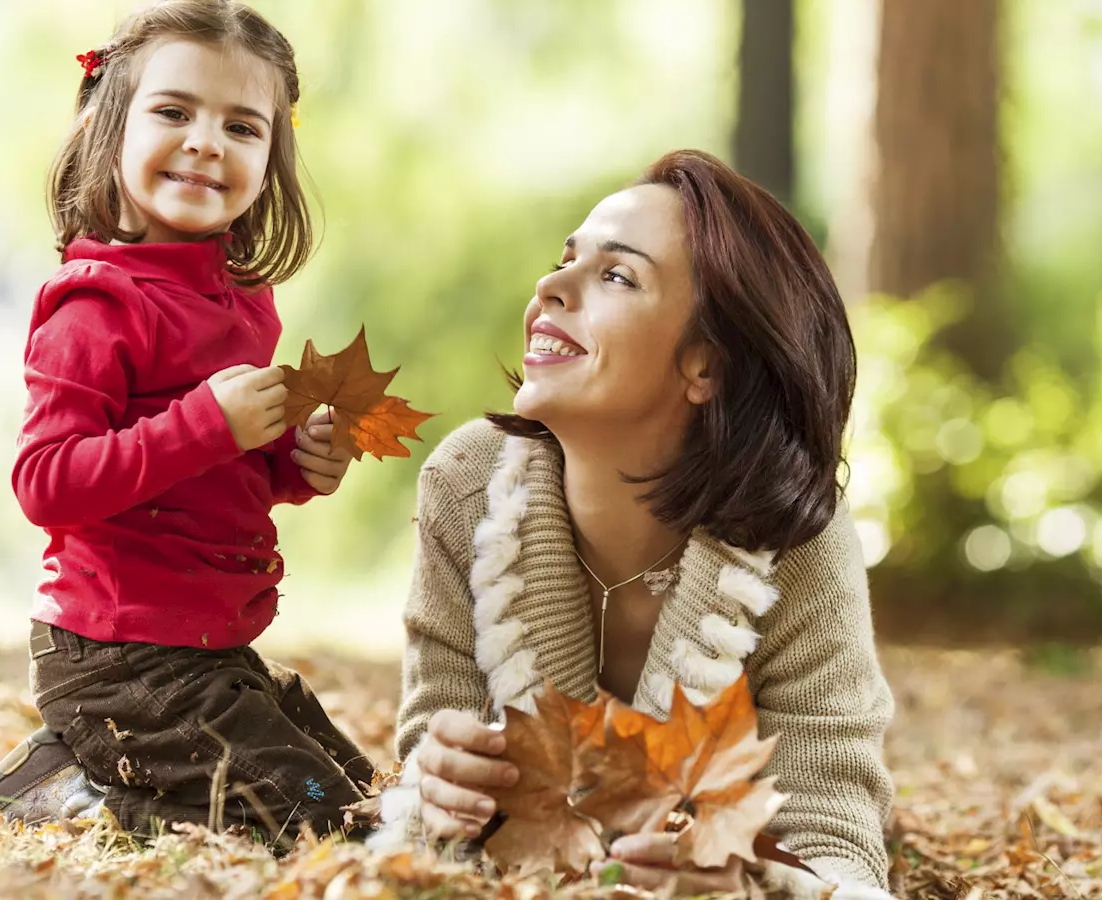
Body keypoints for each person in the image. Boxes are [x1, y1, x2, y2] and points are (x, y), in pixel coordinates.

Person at [373, 150, 896, 898]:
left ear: (706, 368)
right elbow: (424, 757)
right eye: (565, 259)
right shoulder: (468, 486)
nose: (550, 288)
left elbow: (835, 838)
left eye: (615, 275)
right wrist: (436, 791)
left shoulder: (798, 539)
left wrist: (754, 886)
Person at [0, 0, 374, 840]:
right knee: (324, 819)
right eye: (175, 112)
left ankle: (85, 767)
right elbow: (47, 483)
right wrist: (207, 425)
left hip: (211, 650)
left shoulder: (244, 303)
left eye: (242, 127)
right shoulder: (97, 304)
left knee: (356, 785)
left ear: (269, 160)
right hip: (115, 656)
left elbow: (218, 473)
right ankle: (79, 793)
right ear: (110, 130)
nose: (207, 141)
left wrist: (295, 460)